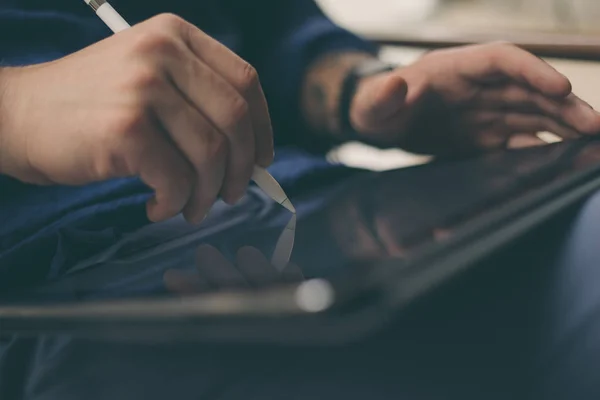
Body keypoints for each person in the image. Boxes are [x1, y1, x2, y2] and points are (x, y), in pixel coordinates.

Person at [2, 0, 600, 399]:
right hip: (58, 295)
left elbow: (277, 32)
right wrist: (15, 110)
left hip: (320, 219)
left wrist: (362, 93)